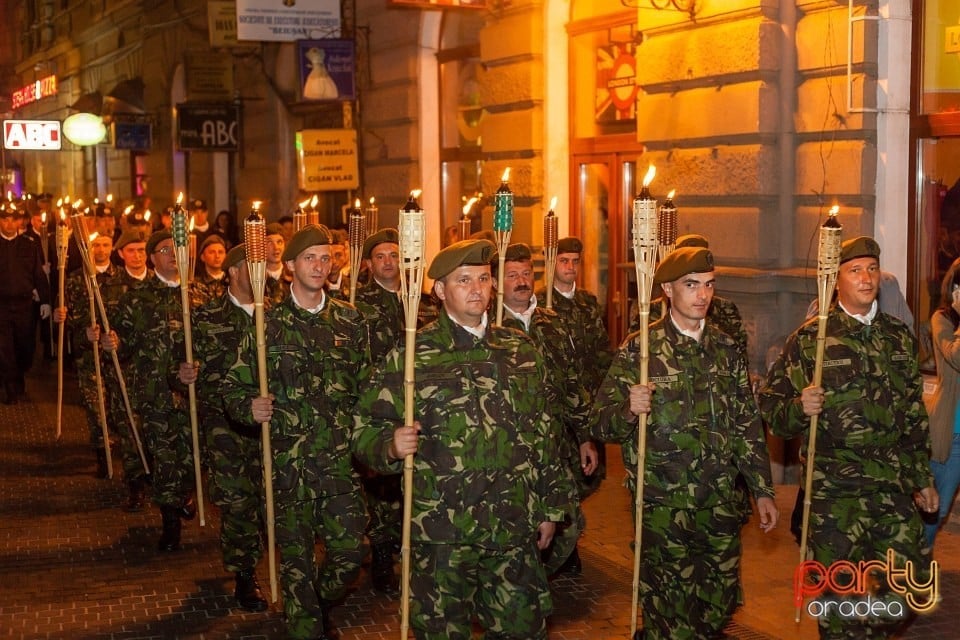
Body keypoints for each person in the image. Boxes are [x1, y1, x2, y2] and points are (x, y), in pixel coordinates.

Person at [353, 238, 573, 640]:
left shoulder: (519, 349)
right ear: (439, 291)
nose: (477, 289)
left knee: (523, 629)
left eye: (484, 279)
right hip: (442, 533)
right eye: (463, 280)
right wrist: (388, 445)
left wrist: (550, 507)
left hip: (511, 525)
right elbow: (364, 428)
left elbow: (545, 431)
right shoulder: (412, 355)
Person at [589, 246, 778, 639]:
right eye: (691, 285)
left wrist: (761, 489)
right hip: (663, 507)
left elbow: (746, 424)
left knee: (719, 602)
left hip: (719, 504)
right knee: (668, 612)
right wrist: (628, 407)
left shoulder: (726, 350)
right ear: (668, 291)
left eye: (709, 285)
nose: (702, 295)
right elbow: (600, 423)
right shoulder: (641, 350)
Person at [759, 236, 938, 639]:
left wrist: (920, 476)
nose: (866, 277)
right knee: (839, 601)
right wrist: (799, 408)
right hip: (834, 496)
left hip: (889, 488)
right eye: (855, 270)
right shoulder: (811, 340)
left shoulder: (896, 337)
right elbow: (773, 411)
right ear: (836, 280)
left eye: (872, 268)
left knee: (908, 584)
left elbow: (912, 414)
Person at [224, 224, 370, 640]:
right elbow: (233, 386)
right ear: (289, 266)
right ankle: (307, 623)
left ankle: (318, 602)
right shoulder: (264, 324)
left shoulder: (349, 320)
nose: (319, 265)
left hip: (341, 465)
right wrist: (247, 407)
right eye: (310, 258)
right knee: (296, 564)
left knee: (348, 555)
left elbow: (368, 387)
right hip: (287, 467)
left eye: (326, 258)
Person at [498, 243, 596, 576]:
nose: (521, 281)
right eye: (512, 275)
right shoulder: (491, 329)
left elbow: (571, 382)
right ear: (498, 282)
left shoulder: (552, 322)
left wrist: (584, 436)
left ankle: (552, 559)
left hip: (556, 442)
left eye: (526, 274)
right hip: (511, 447)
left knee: (568, 512)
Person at [108, 230, 202, 551]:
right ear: (152, 258)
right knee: (163, 458)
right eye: (164, 250)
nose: (173, 254)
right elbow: (123, 347)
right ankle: (170, 520)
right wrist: (114, 343)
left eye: (177, 248)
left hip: (192, 395)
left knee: (191, 456)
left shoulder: (198, 295)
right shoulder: (136, 298)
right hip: (154, 393)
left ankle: (183, 495)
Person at [192, 244, 268, 612]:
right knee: (239, 502)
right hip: (226, 428)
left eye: (262, 265)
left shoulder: (277, 316)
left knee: (271, 500)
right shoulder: (206, 317)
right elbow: (181, 370)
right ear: (234, 272)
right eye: (250, 266)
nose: (258, 273)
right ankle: (244, 572)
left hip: (271, 423)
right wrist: (182, 376)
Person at [536, 236, 610, 499]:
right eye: (563, 261)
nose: (570, 267)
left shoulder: (587, 302)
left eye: (575, 262)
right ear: (551, 263)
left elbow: (602, 351)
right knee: (565, 477)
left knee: (592, 475)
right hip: (560, 408)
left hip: (589, 402)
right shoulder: (540, 303)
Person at [351, 228, 403, 594]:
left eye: (394, 255)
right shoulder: (359, 304)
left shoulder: (421, 300)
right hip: (380, 405)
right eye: (381, 256)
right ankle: (383, 554)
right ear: (368, 263)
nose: (389, 262)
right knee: (383, 485)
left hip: (419, 404)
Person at [53, 230, 117, 477]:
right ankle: (103, 453)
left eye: (105, 244)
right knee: (96, 408)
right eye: (95, 245)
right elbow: (68, 321)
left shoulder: (121, 278)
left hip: (118, 357)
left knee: (117, 408)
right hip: (89, 357)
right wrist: (64, 320)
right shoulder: (74, 280)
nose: (100, 250)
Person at [101, 229, 153, 511]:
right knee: (130, 430)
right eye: (131, 251)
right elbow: (98, 325)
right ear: (120, 254)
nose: (137, 256)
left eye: (142, 250)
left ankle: (160, 481)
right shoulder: (109, 287)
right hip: (122, 371)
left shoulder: (158, 285)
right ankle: (136, 486)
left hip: (154, 373)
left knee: (155, 430)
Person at [919, 257, 960, 546]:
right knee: (937, 508)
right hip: (954, 433)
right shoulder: (942, 319)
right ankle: (914, 569)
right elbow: (956, 356)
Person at [0, 204, 51, 404]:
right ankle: (12, 388)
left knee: (25, 346)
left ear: (20, 222)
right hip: (1, 306)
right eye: (5, 219)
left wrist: (45, 301)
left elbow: (38, 274)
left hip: (24, 306)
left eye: (13, 219)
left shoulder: (28, 244)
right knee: (5, 348)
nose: (9, 223)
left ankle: (19, 376)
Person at [195, 234, 228, 299]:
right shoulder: (196, 284)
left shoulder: (232, 281)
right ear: (202, 257)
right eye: (212, 252)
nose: (217, 256)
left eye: (220, 252)